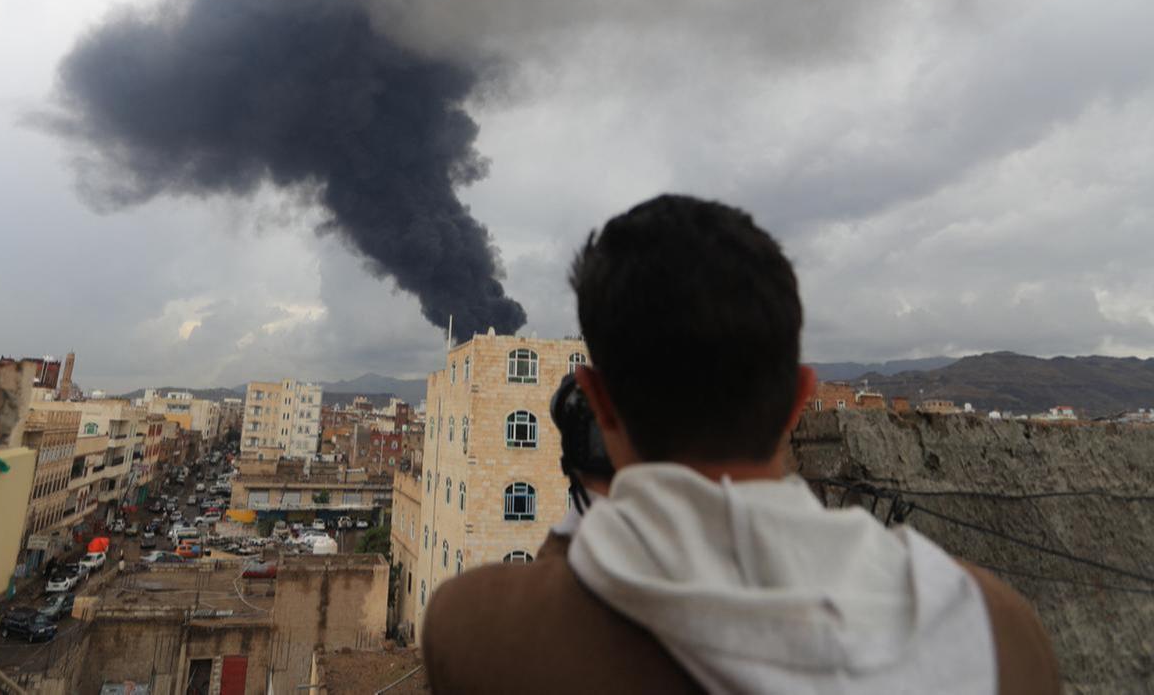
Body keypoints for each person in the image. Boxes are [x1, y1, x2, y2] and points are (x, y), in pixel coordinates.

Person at [422, 195, 1059, 694]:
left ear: (595, 394)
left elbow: (554, 593)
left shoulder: (480, 630)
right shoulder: (998, 631)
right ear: (800, 397)